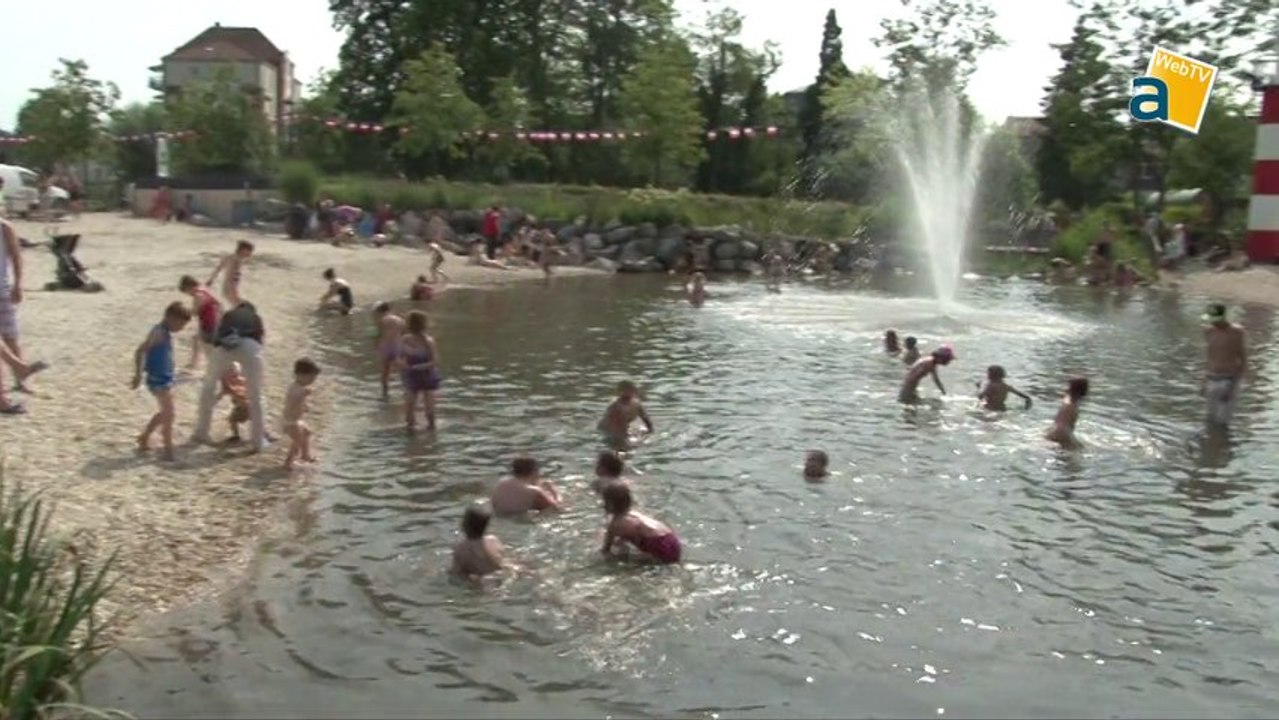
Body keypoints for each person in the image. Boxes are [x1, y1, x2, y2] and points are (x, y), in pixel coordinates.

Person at [193, 301, 269, 451]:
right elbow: (260, 343)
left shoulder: (228, 315)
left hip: (224, 345)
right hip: (250, 345)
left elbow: (216, 336)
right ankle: (258, 441)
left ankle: (202, 432)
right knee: (256, 395)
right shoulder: (256, 318)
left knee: (209, 386)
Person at [131, 301, 192, 460]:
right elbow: (140, 351)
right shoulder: (158, 332)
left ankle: (144, 437)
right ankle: (168, 450)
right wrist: (138, 374)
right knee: (169, 414)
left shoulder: (164, 332)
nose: (181, 329)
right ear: (170, 318)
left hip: (165, 377)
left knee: (165, 412)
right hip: (157, 379)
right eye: (180, 325)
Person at [601, 482, 681, 564]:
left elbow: (605, 550)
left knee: (623, 560)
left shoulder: (615, 524)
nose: (602, 505)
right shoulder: (634, 514)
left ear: (610, 505)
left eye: (604, 502)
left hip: (658, 545)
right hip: (671, 538)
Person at [0, 218, 34, 394]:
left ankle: (22, 380)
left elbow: (16, 256)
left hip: (2, 290)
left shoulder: (4, 227)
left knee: (10, 337)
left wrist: (18, 283)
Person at [1202, 303, 1247, 428]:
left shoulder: (1237, 332)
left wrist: (1233, 388)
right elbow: (1209, 356)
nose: (1212, 323)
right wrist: (1203, 382)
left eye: (1214, 319)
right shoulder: (1208, 331)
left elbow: (1242, 359)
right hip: (1211, 379)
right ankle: (1214, 446)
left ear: (1223, 317)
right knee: (1209, 420)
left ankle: (1222, 444)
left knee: (1223, 423)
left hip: (1228, 380)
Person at [398, 310, 441, 431]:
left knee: (425, 409)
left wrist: (418, 367)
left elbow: (435, 361)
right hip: (412, 374)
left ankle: (424, 431)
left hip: (426, 374)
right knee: (411, 407)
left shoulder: (428, 341)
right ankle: (417, 430)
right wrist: (403, 365)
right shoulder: (405, 339)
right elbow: (399, 357)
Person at [451, 503, 507, 582]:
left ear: (464, 525)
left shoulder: (461, 548)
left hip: (480, 579)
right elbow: (502, 558)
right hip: (499, 573)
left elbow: (456, 572)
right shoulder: (493, 540)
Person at [282, 358, 321, 470]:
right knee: (298, 440)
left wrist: (305, 406)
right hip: (290, 421)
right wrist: (303, 395)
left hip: (296, 420)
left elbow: (299, 403)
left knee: (307, 433)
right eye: (311, 378)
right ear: (300, 375)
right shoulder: (295, 389)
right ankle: (288, 461)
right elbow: (293, 400)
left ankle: (305, 455)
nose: (312, 381)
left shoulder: (300, 387)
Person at [491, 456, 562, 516]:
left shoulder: (501, 484)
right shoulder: (534, 491)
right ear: (534, 471)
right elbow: (556, 508)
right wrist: (553, 489)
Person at [179, 275, 222, 369]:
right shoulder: (204, 289)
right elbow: (217, 302)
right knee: (196, 340)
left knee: (209, 346)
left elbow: (194, 312)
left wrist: (183, 311)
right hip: (215, 320)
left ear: (189, 287)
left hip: (208, 323)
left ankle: (214, 367)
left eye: (186, 291)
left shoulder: (198, 296)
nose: (188, 294)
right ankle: (194, 363)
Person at [598, 380, 653, 448]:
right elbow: (615, 427)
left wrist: (650, 431)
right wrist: (624, 438)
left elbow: (645, 418)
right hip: (609, 429)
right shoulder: (616, 406)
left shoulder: (636, 403)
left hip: (621, 427)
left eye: (632, 390)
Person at [372, 301, 405, 399]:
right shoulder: (400, 320)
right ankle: (406, 389)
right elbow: (404, 333)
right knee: (402, 369)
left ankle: (384, 392)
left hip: (386, 346)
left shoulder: (382, 320)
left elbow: (377, 334)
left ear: (380, 311)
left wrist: (375, 344)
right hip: (398, 346)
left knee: (385, 370)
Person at [207, 240, 254, 306]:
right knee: (240, 306)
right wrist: (235, 292)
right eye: (249, 251)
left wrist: (211, 280)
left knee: (238, 306)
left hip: (227, 287)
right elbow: (234, 278)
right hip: (231, 288)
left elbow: (218, 269)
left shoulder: (229, 257)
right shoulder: (237, 261)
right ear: (243, 250)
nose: (250, 254)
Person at [1046, 377, 1089, 448]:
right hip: (1062, 433)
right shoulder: (1071, 404)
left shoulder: (1070, 400)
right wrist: (1071, 440)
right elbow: (1062, 426)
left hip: (1056, 431)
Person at [218, 361, 251, 442]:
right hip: (245, 405)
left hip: (244, 405)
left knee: (232, 420)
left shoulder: (237, 381)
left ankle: (236, 436)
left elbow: (226, 391)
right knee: (234, 419)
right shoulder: (242, 380)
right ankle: (264, 434)